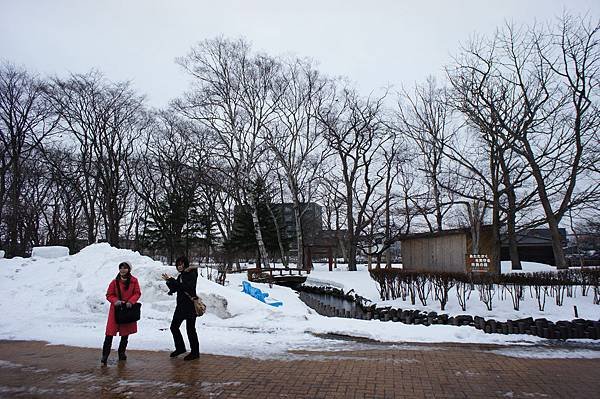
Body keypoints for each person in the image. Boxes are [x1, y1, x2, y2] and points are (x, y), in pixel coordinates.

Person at [101, 261, 141, 366]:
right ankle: (104, 356)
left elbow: (137, 293)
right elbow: (109, 294)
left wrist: (131, 302)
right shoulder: (114, 282)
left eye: (125, 268)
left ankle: (121, 353)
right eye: (121, 268)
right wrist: (116, 301)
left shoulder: (134, 281)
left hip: (127, 309)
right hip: (115, 310)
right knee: (109, 334)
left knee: (125, 334)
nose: (123, 270)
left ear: (129, 269)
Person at [162, 256, 200, 360]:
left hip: (190, 306)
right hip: (181, 306)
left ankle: (195, 352)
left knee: (190, 329)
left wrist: (174, 281)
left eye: (182, 264)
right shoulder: (181, 276)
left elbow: (187, 287)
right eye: (178, 264)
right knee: (174, 327)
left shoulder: (191, 274)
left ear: (186, 264)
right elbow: (175, 288)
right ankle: (180, 348)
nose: (179, 266)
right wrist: (169, 281)